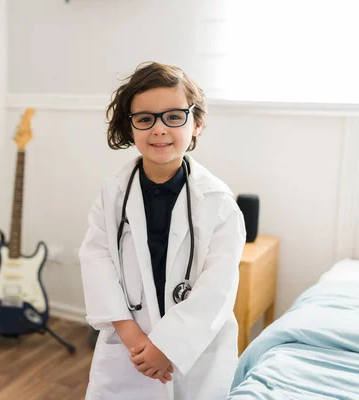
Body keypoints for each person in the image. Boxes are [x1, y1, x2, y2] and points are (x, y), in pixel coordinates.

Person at [79, 61, 247, 400]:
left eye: (173, 116)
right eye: (145, 119)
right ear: (130, 128)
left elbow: (218, 288)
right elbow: (96, 261)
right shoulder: (113, 193)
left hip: (195, 353)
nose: (158, 129)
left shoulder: (219, 203)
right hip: (130, 350)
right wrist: (133, 337)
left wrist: (169, 346)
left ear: (196, 122)